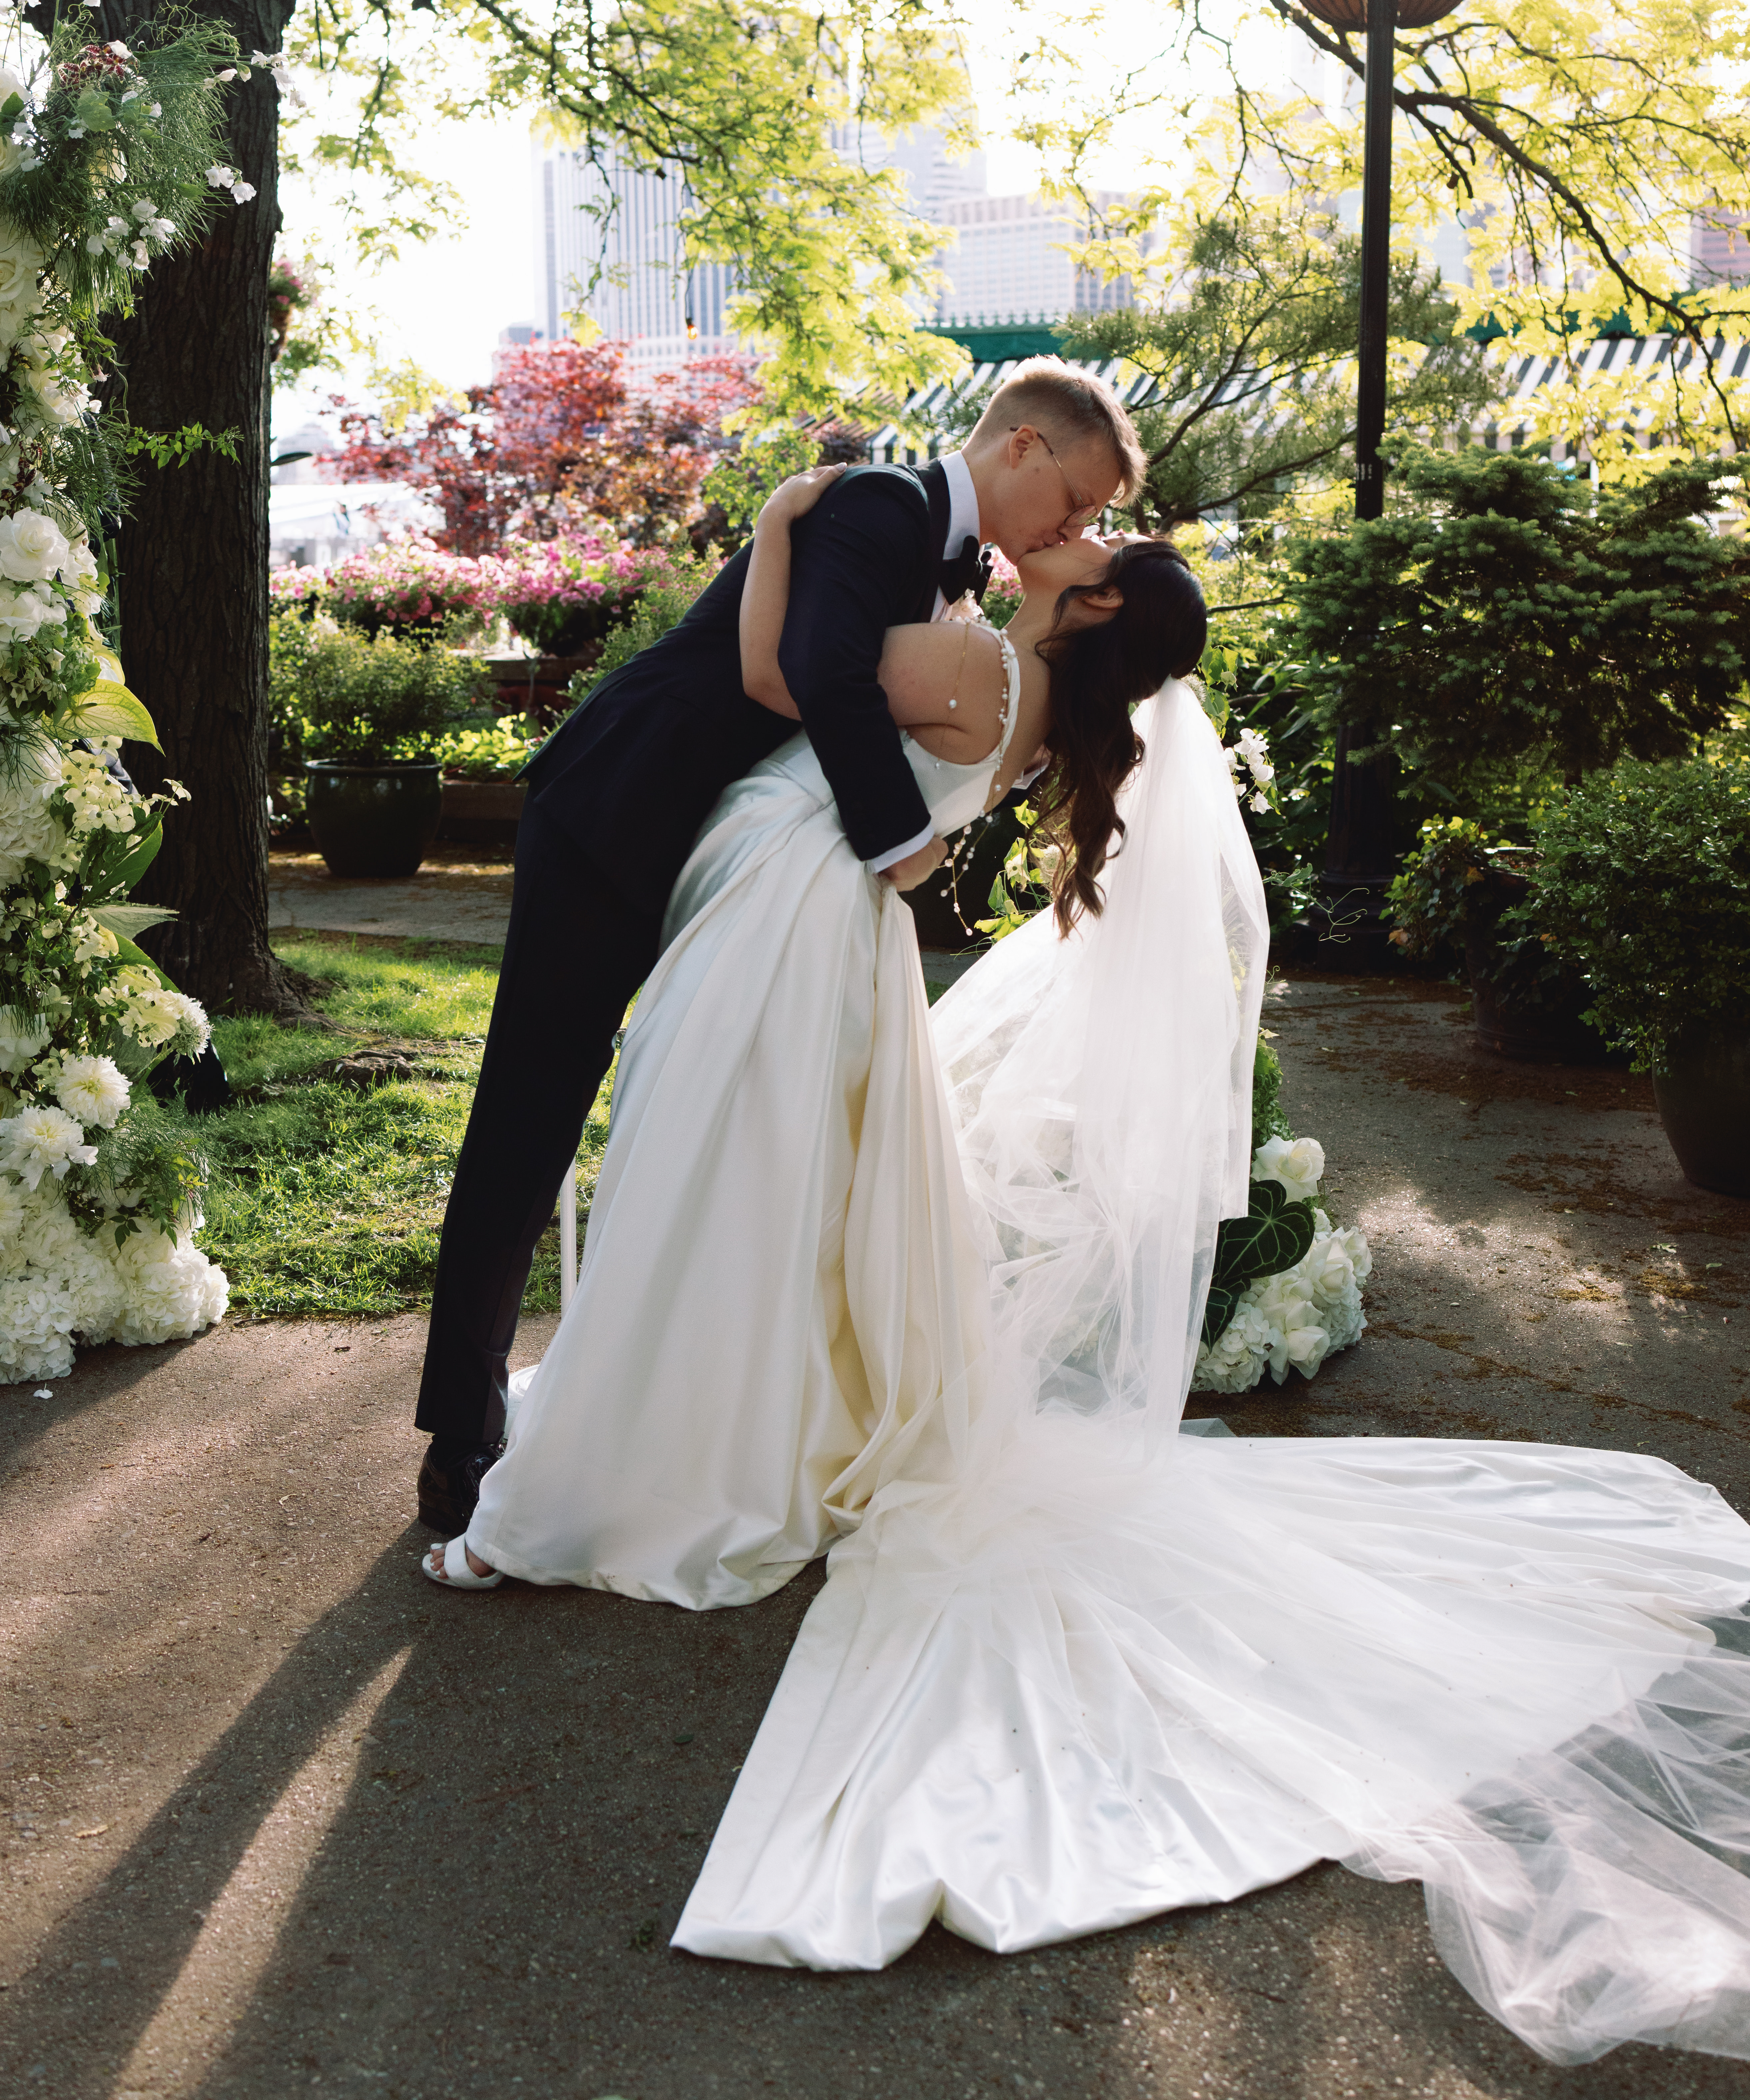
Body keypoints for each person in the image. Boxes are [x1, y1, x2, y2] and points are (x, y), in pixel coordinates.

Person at [425, 475, 1750, 2068]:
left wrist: (775, 528)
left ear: (1103, 605)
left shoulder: (985, 669)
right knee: (746, 1201)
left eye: (1107, 546)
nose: (1083, 540)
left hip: (789, 918)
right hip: (810, 919)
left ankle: (625, 1473)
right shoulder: (1026, 685)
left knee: (709, 1186)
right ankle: (705, 1421)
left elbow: (789, 682)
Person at [411, 360, 1147, 1534]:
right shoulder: (878, 507)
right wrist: (906, 849)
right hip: (619, 816)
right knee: (531, 1115)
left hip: (735, 866)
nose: (1079, 527)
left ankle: (701, 1409)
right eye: (1079, 499)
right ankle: (461, 1433)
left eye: (1095, 522)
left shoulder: (941, 562)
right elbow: (809, 675)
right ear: (1021, 446)